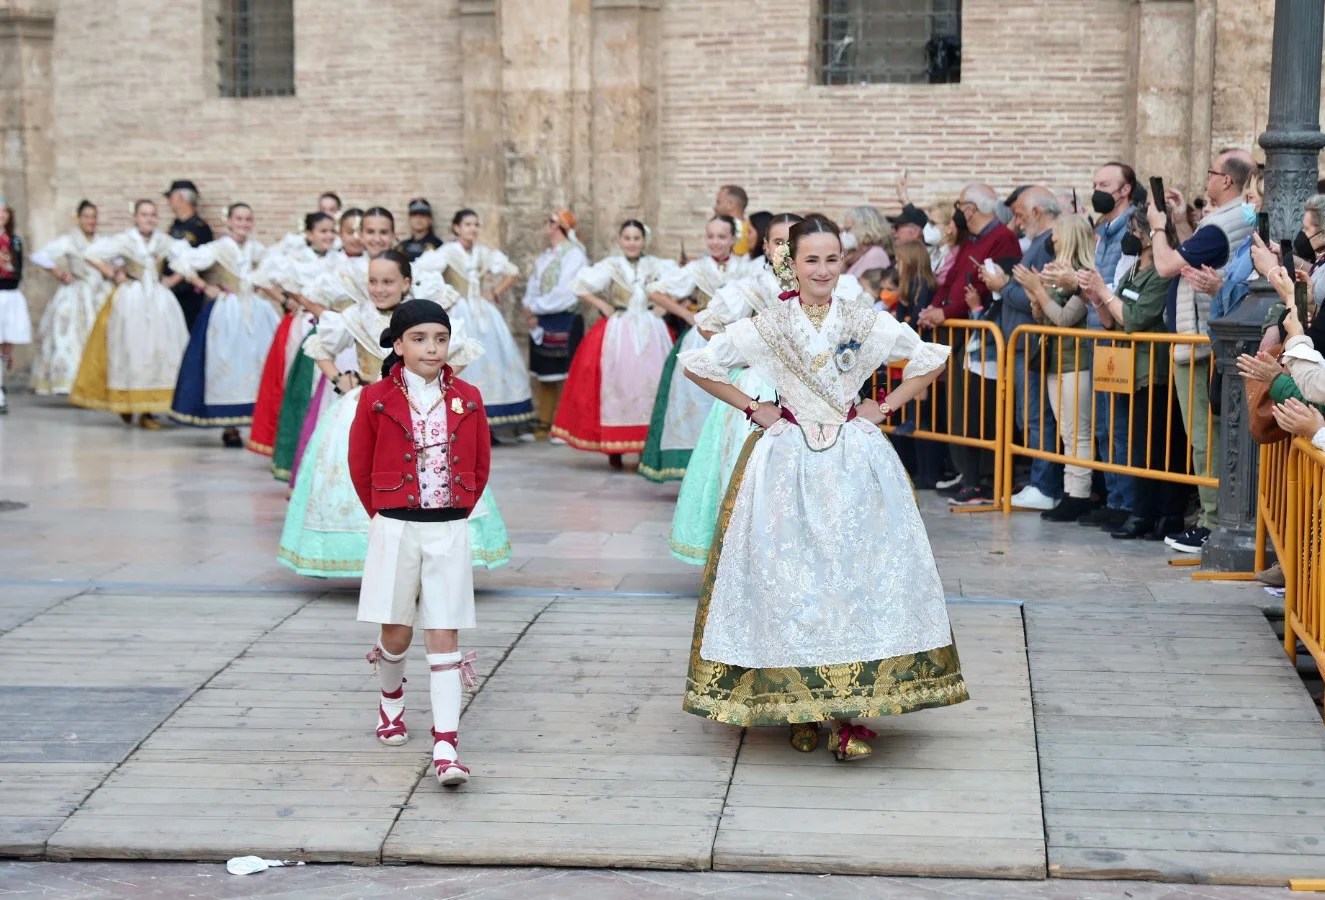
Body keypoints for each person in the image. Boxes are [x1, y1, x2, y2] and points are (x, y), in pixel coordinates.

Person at [678, 214, 967, 761]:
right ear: (792, 263)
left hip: (855, 462)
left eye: (832, 259)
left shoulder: (863, 319)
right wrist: (754, 407)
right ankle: (802, 705)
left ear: (842, 261)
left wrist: (882, 407)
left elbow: (930, 358)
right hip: (785, 464)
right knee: (792, 581)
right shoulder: (769, 325)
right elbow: (698, 363)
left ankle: (847, 712)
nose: (823, 269)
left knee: (850, 581)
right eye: (811, 259)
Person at [277, 250, 510, 575]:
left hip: (421, 409)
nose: (379, 288)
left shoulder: (421, 317)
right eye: (373, 281)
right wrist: (338, 379)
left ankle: (436, 549)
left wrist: (438, 379)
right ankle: (369, 557)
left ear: (405, 282)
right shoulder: (353, 316)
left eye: (387, 281)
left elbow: (462, 348)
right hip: (368, 404)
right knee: (361, 470)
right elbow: (320, 347)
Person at [349, 300, 489, 787]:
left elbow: (481, 462)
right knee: (397, 631)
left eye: (440, 338)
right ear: (398, 344)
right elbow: (360, 465)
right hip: (395, 524)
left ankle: (446, 745)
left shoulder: (468, 397)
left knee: (445, 631)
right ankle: (391, 701)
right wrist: (385, 515)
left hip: (448, 526)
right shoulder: (375, 399)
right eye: (420, 338)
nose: (432, 347)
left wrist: (459, 508)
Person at [1149, 148, 1255, 553]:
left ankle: (1211, 521)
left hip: (1198, 345)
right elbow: (1195, 255)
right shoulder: (1235, 220)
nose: (1206, 179)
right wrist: (1177, 220)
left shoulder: (1219, 226)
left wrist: (1159, 227)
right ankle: (1214, 517)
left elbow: (1164, 266)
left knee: (1204, 439)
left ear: (1227, 180)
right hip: (1208, 340)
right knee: (1210, 437)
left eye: (1211, 173)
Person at [1083, 206, 1186, 541]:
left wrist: (1106, 292)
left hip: (1151, 371)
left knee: (1154, 446)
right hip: (1125, 370)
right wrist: (1097, 297)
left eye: (1135, 230)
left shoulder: (1159, 272)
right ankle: (1139, 510)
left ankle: (1157, 513)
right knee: (1134, 446)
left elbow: (1136, 317)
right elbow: (1112, 319)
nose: (1130, 235)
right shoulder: (1132, 271)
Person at [926, 184, 1021, 506]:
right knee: (959, 411)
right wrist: (936, 307)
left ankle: (981, 480)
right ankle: (966, 475)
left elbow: (986, 285)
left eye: (959, 205)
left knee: (977, 411)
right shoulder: (972, 240)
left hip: (983, 337)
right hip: (961, 335)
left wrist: (947, 311)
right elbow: (953, 279)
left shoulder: (1002, 238)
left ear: (969, 209)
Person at [551, 219, 673, 467]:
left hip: (651, 330)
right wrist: (603, 305)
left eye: (636, 238)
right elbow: (578, 285)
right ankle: (614, 446)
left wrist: (663, 306)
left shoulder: (656, 265)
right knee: (617, 383)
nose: (632, 243)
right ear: (619, 240)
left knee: (649, 384)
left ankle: (643, 444)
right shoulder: (611, 265)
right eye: (627, 238)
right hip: (619, 330)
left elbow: (681, 283)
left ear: (644, 240)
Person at [639, 215, 751, 481]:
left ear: (734, 239)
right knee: (696, 403)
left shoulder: (747, 270)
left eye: (721, 236)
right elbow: (654, 291)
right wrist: (688, 315)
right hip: (703, 340)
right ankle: (695, 474)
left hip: (738, 342)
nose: (715, 242)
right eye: (710, 236)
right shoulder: (696, 270)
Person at [974, 186, 1063, 511]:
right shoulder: (1038, 243)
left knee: (1037, 417)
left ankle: (1045, 485)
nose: (1018, 223)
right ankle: (1040, 482)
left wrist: (1001, 287)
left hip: (1030, 342)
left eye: (1022, 216)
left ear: (1038, 212)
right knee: (1029, 416)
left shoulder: (1047, 244)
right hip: (1020, 343)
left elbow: (1033, 298)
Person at [167, 202, 280, 447]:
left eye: (248, 219)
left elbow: (273, 269)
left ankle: (256, 421)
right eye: (238, 219)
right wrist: (203, 284)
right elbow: (183, 263)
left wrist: (263, 286)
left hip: (256, 311)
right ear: (228, 221)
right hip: (227, 312)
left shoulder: (256, 249)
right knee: (230, 362)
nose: (243, 224)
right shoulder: (218, 248)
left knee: (257, 362)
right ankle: (230, 424)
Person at [72, 199, 190, 428]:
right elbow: (91, 254)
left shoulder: (163, 241)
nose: (149, 219)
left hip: (158, 300)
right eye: (144, 214)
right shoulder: (125, 240)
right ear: (135, 217)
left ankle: (148, 410)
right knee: (131, 351)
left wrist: (171, 280)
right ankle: (127, 401)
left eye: (153, 214)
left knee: (158, 352)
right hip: (131, 299)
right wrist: (113, 275)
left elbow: (185, 260)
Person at [414, 209, 533, 430]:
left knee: (491, 359)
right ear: (456, 228)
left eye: (475, 224)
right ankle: (459, 416)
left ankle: (490, 418)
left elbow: (512, 271)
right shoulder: (447, 252)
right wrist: (445, 296)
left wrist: (494, 292)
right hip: (459, 313)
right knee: (462, 359)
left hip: (483, 313)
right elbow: (421, 273)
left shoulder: (483, 253)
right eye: (467, 224)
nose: (472, 229)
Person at [1075, 161, 1142, 530]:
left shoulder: (1132, 227)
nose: (1097, 188)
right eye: (1094, 181)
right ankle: (1114, 495)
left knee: (1119, 425)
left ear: (1125, 189)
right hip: (1097, 332)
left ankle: (1126, 501)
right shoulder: (1103, 228)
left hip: (1118, 336)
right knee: (1103, 424)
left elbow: (1123, 282)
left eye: (1105, 183)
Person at [1017, 215, 1097, 521]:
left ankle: (1079, 494)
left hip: (1078, 362)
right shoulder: (1057, 272)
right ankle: (1070, 491)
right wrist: (1035, 293)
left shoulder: (1084, 276)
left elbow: (1065, 318)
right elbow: (1045, 318)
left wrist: (1038, 290)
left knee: (1078, 431)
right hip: (1056, 361)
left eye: (1058, 235)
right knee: (1067, 430)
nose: (1053, 240)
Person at [247, 210, 343, 457]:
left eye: (332, 231)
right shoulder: (297, 259)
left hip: (333, 325)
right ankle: (295, 442)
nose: (328, 236)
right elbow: (262, 278)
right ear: (309, 234)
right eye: (323, 231)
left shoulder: (339, 258)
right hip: (304, 324)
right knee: (299, 383)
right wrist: (287, 301)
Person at [30, 201, 109, 397]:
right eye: (87, 217)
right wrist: (59, 273)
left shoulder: (103, 241)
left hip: (100, 293)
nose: (91, 221)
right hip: (77, 292)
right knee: (72, 338)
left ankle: (98, 382)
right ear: (79, 219)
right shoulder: (69, 241)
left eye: (94, 217)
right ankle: (72, 383)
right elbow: (39, 256)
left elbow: (118, 260)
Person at [522, 209, 588, 439]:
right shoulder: (546, 256)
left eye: (552, 222)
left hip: (564, 318)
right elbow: (534, 284)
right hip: (543, 318)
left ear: (562, 226)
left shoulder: (574, 255)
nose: (547, 226)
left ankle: (564, 428)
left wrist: (536, 307)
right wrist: (529, 307)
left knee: (565, 375)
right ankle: (544, 424)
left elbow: (567, 291)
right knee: (545, 374)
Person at [164, 180, 214, 333]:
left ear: (180, 197)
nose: (169, 202)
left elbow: (196, 262)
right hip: (169, 293)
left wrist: (173, 280)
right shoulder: (174, 226)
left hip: (188, 294)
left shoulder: (200, 228)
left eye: (170, 197)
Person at [0, 199, 32, 413]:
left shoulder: (15, 241)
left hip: (11, 294)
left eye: (4, 211)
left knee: (7, 343)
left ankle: (1, 384)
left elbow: (18, 267)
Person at [841, 205, 893, 277]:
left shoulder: (875, 254)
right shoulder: (857, 254)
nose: (844, 234)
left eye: (848, 229)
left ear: (864, 228)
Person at [714, 185, 756, 258]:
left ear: (730, 205)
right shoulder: (750, 228)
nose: (714, 207)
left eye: (718, 202)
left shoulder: (746, 232)